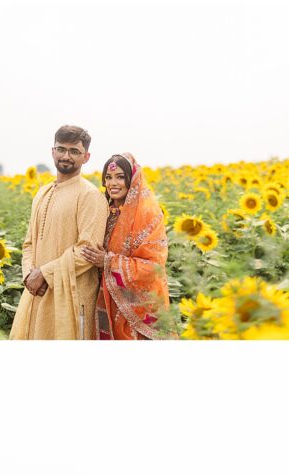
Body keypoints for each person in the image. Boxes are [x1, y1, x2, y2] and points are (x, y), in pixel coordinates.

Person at [10, 126, 109, 340]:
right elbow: (29, 243)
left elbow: (87, 251)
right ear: (52, 151)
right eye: (61, 149)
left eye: (74, 151)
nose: (66, 156)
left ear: (86, 157)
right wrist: (29, 275)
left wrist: (44, 273)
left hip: (71, 297)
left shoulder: (90, 196)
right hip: (37, 291)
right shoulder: (42, 192)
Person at [81, 153, 170, 339]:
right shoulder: (102, 210)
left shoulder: (148, 215)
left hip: (136, 307)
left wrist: (108, 262)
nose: (113, 183)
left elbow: (154, 267)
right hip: (102, 297)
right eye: (108, 177)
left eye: (120, 177)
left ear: (133, 179)